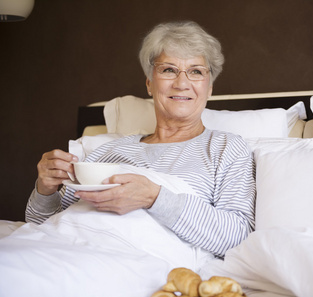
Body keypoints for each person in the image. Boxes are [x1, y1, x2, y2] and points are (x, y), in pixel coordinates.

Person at [25, 21, 256, 258]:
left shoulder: (227, 148)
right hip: (65, 250)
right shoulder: (107, 152)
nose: (182, 83)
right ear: (149, 83)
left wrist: (154, 197)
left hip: (131, 261)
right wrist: (45, 189)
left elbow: (237, 237)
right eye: (168, 70)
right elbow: (42, 226)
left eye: (196, 71)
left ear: (209, 89)